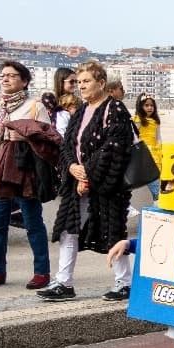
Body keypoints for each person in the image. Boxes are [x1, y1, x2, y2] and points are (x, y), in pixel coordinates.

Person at [42, 60, 133, 302]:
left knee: (113, 230)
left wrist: (87, 176)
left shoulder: (115, 109)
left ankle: (125, 283)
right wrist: (73, 167)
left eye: (86, 81)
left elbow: (114, 147)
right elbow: (68, 145)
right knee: (68, 230)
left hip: (107, 184)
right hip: (78, 182)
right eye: (79, 81)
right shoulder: (81, 110)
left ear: (101, 83)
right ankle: (64, 283)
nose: (81, 86)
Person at [0, 62, 56, 289]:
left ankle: (42, 272)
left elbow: (49, 139)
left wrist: (24, 138)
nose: (5, 79)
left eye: (11, 76)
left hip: (24, 172)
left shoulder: (35, 107)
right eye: (2, 75)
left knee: (33, 222)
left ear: (24, 81)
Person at [132, 94, 162, 200]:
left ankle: (156, 200)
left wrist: (160, 149)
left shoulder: (155, 121)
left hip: (155, 153)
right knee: (153, 182)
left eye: (152, 105)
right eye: (146, 105)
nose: (150, 108)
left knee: (157, 178)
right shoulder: (138, 120)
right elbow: (133, 137)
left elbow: (158, 137)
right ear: (140, 106)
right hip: (144, 154)